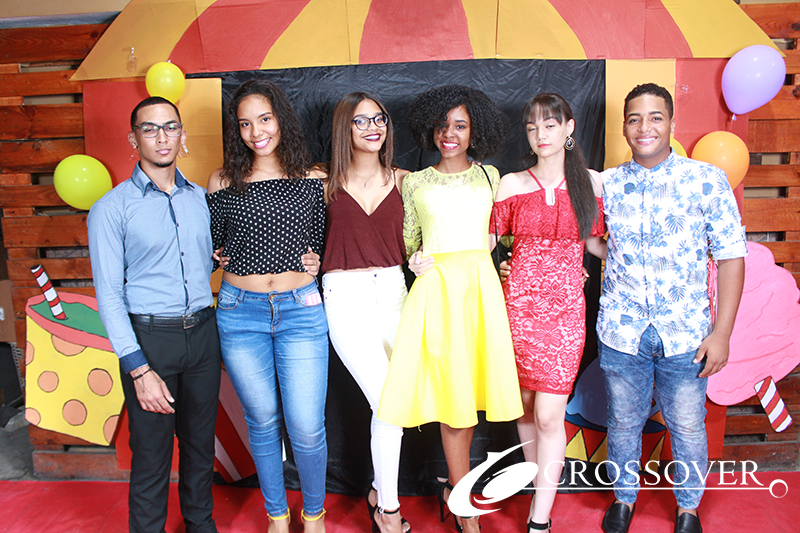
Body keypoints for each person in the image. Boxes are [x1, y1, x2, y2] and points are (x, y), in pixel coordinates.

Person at [598, 83, 746, 533]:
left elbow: (731, 257)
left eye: (655, 117)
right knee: (622, 422)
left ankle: (688, 508)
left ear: (672, 123)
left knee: (687, 425)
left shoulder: (706, 180)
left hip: (686, 333)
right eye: (635, 118)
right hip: (622, 329)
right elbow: (588, 238)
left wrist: (722, 333)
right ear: (625, 127)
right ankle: (623, 499)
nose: (644, 127)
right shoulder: (608, 185)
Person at [377, 85, 523, 533]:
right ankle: (461, 498)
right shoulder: (415, 182)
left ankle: (456, 490)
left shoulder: (492, 177)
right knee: (454, 397)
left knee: (473, 394)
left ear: (475, 130)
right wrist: (415, 261)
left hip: (481, 292)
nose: (450, 134)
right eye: (442, 125)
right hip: (438, 292)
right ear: (430, 129)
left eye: (460, 125)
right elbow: (410, 242)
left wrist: (513, 261)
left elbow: (508, 232)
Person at [88, 96, 221, 533]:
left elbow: (203, 264)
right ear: (134, 139)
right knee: (151, 455)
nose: (162, 137)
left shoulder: (201, 199)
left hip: (203, 335)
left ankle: (201, 526)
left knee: (201, 449)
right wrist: (139, 369)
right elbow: (110, 296)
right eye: (150, 128)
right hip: (150, 343)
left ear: (182, 135)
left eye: (170, 127)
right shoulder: (110, 209)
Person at [206, 79, 328, 533]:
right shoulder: (223, 181)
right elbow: (211, 247)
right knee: (261, 421)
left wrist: (318, 259)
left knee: (306, 426)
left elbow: (324, 242)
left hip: (301, 310)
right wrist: (214, 256)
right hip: (240, 312)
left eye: (264, 119)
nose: (256, 132)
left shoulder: (312, 179)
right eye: (245, 124)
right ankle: (277, 516)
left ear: (281, 120)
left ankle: (313, 516)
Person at [492, 93, 606, 533]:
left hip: (565, 312)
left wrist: (648, 253)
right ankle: (537, 491)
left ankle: (540, 520)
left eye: (550, 124)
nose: (541, 134)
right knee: (524, 409)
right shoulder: (511, 184)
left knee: (547, 415)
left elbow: (596, 244)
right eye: (532, 127)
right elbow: (486, 245)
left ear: (569, 127)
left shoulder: (590, 183)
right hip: (518, 309)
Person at [320, 92, 411, 533]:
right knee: (388, 402)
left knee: (398, 402)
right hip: (345, 296)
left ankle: (378, 489)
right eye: (361, 121)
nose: (373, 127)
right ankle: (388, 512)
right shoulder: (322, 182)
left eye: (379, 119)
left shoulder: (406, 180)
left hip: (395, 293)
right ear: (345, 127)